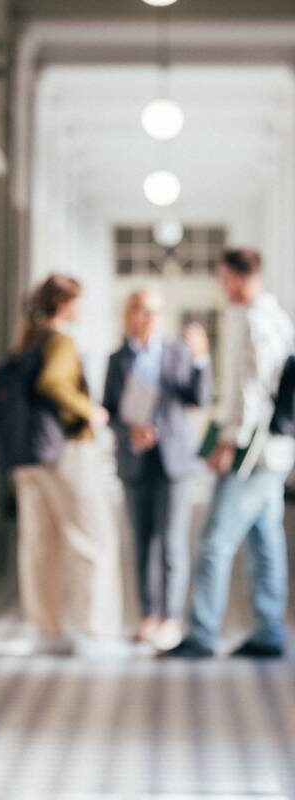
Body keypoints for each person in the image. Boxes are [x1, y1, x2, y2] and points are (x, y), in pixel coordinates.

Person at [165, 248, 294, 659]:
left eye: (224, 279)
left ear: (239, 278)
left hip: (252, 452)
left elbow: (251, 392)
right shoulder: (279, 319)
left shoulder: (254, 321)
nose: (223, 288)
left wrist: (228, 444)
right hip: (276, 450)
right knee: (265, 539)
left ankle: (202, 634)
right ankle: (269, 630)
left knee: (214, 542)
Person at [11, 274, 125, 657]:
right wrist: (88, 410)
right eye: (79, 301)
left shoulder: (28, 339)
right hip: (65, 451)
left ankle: (48, 632)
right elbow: (53, 382)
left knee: (40, 544)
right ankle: (97, 632)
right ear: (65, 303)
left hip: (29, 454)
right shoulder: (60, 340)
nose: (83, 308)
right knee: (93, 540)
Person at [103, 290, 212, 651]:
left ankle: (170, 617)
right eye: (139, 310)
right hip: (136, 460)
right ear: (128, 314)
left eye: (153, 312)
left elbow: (199, 398)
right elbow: (110, 410)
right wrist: (129, 429)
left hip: (174, 461)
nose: (147, 317)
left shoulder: (178, 354)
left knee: (171, 542)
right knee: (142, 542)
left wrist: (201, 359)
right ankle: (148, 615)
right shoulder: (118, 359)